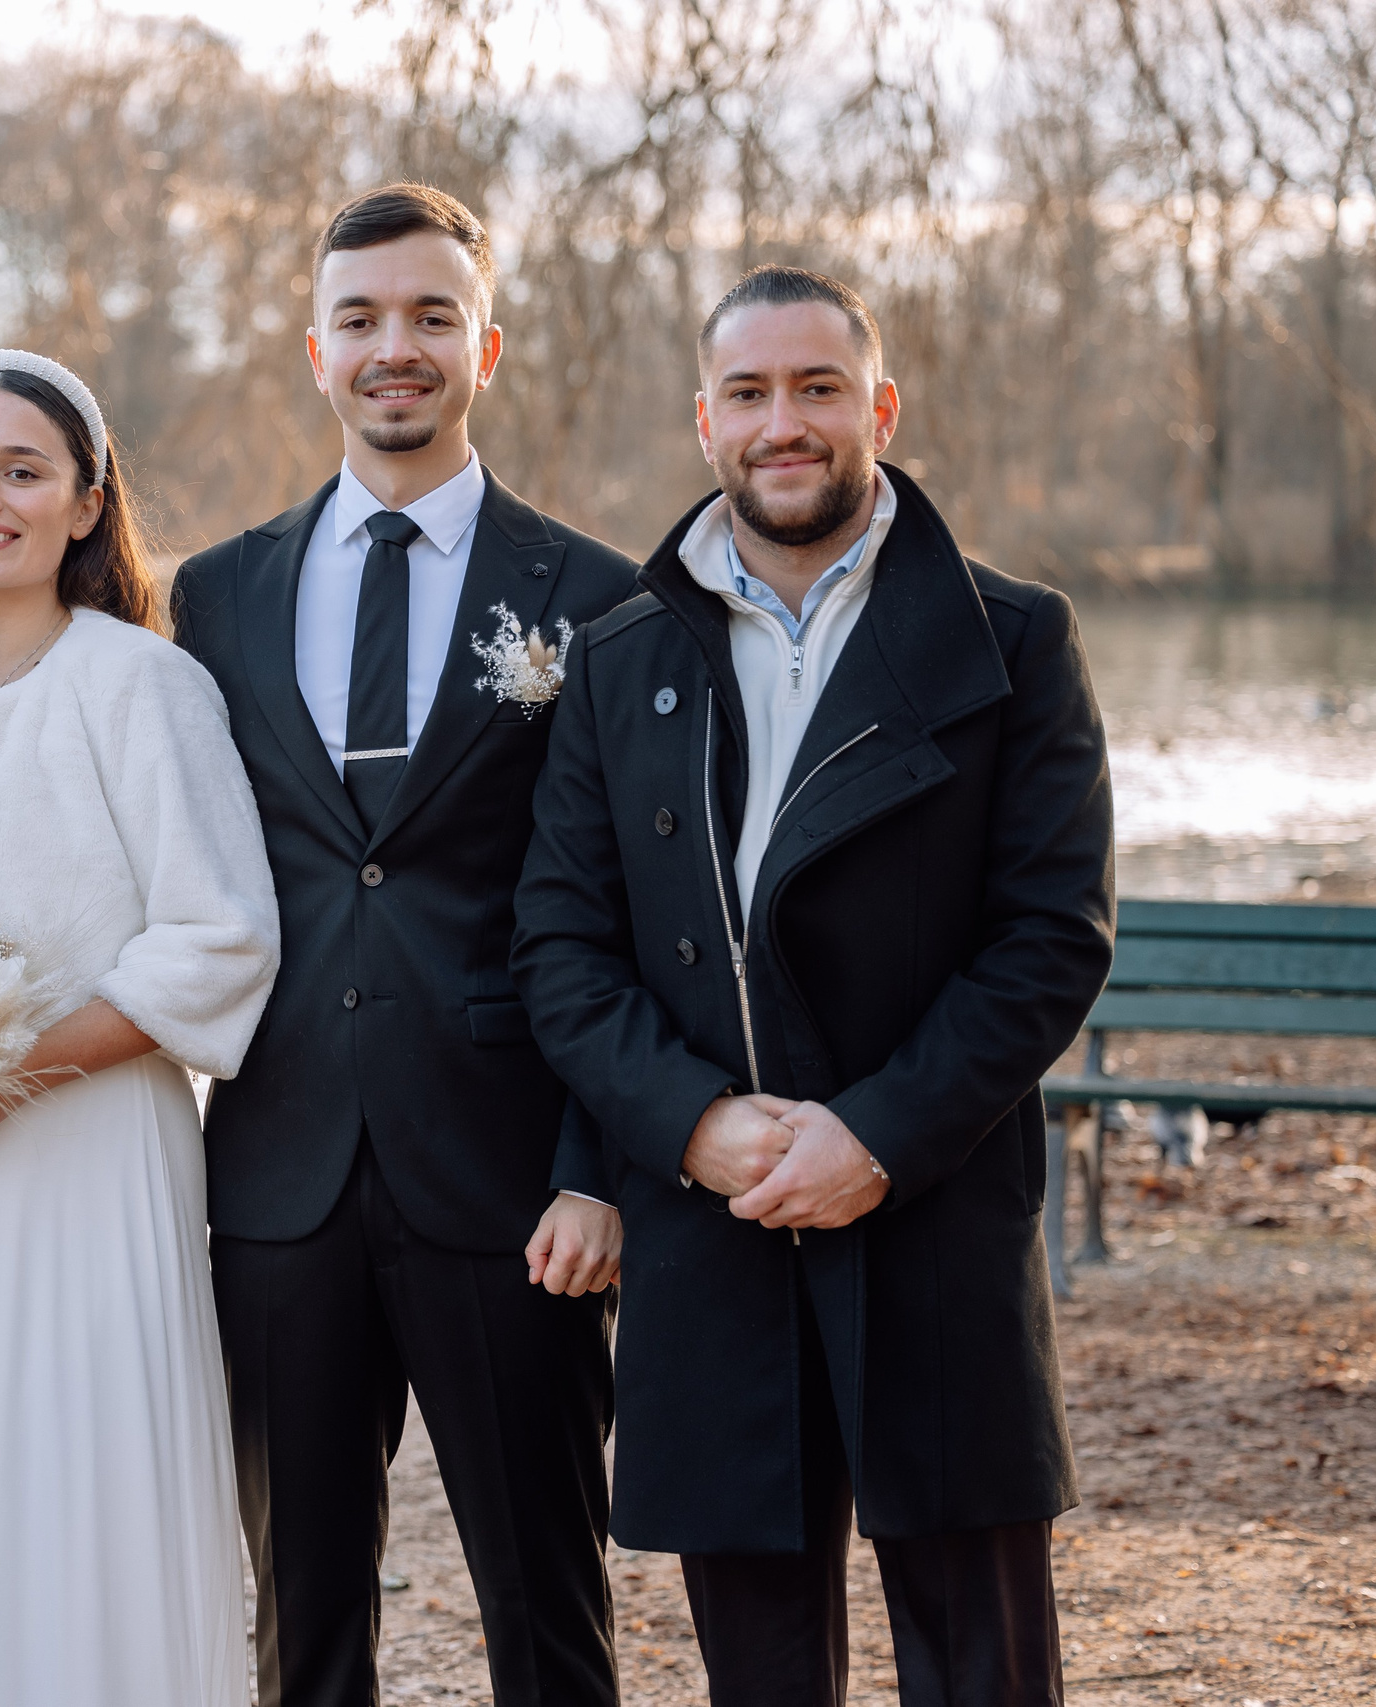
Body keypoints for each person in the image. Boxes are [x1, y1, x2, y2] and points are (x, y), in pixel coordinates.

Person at [510, 264, 1113, 1707]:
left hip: (933, 1213)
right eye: (752, 393)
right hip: (715, 1225)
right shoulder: (619, 657)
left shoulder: (1013, 639)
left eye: (819, 388)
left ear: (879, 408)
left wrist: (877, 1140)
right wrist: (693, 1128)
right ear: (703, 419)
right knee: (761, 1677)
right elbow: (561, 947)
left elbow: (1052, 938)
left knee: (985, 1667)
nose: (786, 423)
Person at [171, 183, 636, 1707]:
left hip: (512, 1180)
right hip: (279, 1177)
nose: (397, 347)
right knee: (300, 1626)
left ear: (484, 344)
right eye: (362, 319)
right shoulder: (221, 595)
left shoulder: (598, 600)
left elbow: (637, 912)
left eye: (432, 316)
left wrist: (596, 1165)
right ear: (316, 352)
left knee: (548, 1617)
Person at [0, 349, 280, 1706]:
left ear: (88, 505)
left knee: (75, 1483)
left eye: (24, 472)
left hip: (84, 1165)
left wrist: (6, 1077)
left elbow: (220, 939)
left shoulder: (139, 687)